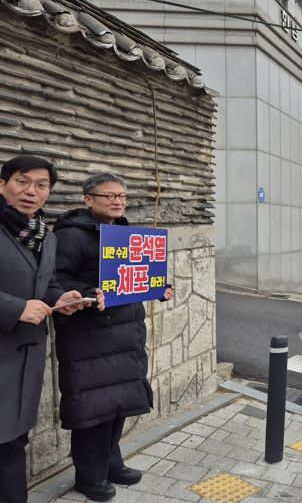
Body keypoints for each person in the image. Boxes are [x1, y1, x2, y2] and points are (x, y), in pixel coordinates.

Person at [53, 173, 174, 502]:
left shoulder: (125, 234)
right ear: (87, 199)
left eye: (121, 195)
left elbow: (137, 274)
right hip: (89, 335)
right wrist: (88, 293)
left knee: (117, 402)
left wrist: (158, 287)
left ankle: (110, 462)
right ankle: (89, 477)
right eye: (108, 196)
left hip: (124, 331)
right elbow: (57, 280)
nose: (118, 201)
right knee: (94, 405)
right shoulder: (71, 236)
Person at [0, 156, 96, 503]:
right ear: (3, 185)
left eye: (42, 185)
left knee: (12, 444)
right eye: (22, 182)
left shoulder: (45, 236)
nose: (32, 191)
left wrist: (64, 298)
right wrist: (15, 308)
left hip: (24, 361)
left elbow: (47, 284)